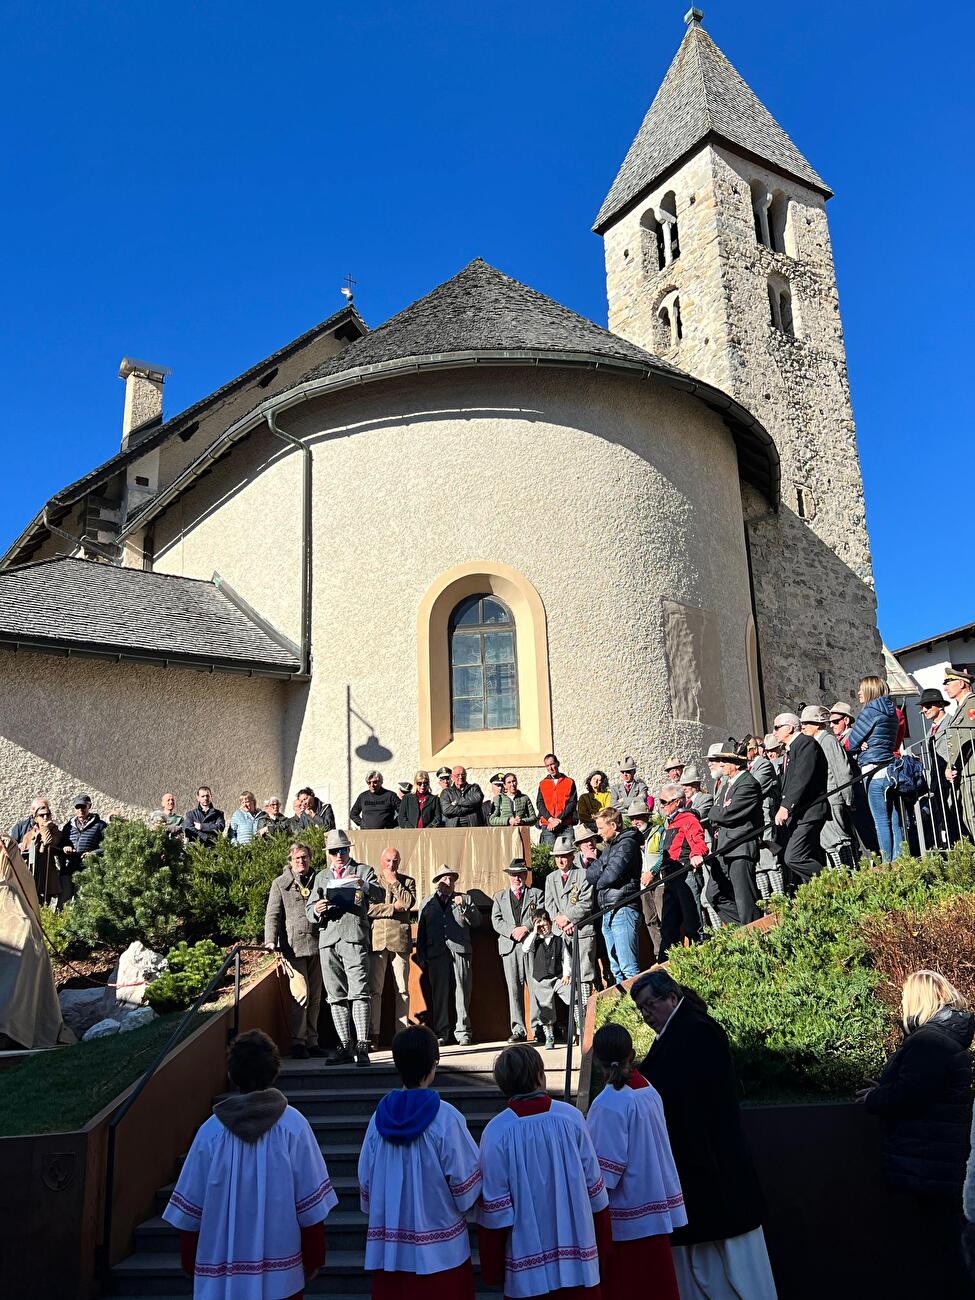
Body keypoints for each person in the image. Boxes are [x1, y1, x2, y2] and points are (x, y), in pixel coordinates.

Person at [633, 970, 777, 1300]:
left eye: (649, 1005)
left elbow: (701, 1105)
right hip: (702, 1173)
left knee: (731, 1271)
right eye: (641, 1010)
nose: (646, 1016)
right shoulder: (683, 1032)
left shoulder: (696, 1032)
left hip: (711, 1172)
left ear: (672, 997)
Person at [162, 1028, 337, 1296]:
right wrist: (314, 1257)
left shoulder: (210, 1132)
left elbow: (192, 1211)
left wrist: (190, 1261)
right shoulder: (294, 1126)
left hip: (222, 1275)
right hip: (281, 1274)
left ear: (231, 1074)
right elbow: (310, 1206)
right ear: (275, 1071)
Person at [862, 971, 974, 1298]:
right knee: (946, 1251)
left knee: (936, 1258)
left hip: (925, 1165)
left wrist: (876, 1098)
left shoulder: (929, 1041)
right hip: (942, 1162)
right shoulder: (949, 1039)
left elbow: (910, 1096)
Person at [477, 1043, 613, 1299]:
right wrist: (605, 1249)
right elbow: (596, 1191)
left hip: (528, 1265)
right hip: (578, 1258)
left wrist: (493, 1271)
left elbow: (496, 1213)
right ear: (541, 1075)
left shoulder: (496, 1132)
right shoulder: (571, 1118)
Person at [357, 1025, 481, 1300]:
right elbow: (464, 1185)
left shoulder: (377, 1121)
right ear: (433, 1064)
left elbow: (366, 1182)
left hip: (391, 1251)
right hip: (440, 1253)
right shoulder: (446, 1118)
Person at [587, 1023, 684, 1300]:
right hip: (655, 1204)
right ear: (632, 1053)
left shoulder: (608, 1102)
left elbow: (606, 1172)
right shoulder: (648, 1089)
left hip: (627, 1215)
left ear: (596, 1059)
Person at [306, 828, 382, 1066]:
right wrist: (316, 910)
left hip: (354, 937)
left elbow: (380, 894)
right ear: (328, 853)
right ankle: (345, 1045)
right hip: (328, 939)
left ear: (349, 850)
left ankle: (362, 1045)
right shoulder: (320, 877)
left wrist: (364, 885)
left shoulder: (363, 870)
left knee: (359, 991)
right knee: (334, 996)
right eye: (333, 851)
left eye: (342, 850)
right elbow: (309, 909)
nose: (338, 855)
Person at [264, 842, 326, 1059]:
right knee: (301, 994)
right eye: (297, 858)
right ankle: (298, 1042)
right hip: (293, 947)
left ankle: (312, 1040)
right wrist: (270, 940)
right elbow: (272, 914)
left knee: (317, 997)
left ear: (310, 859)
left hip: (318, 945)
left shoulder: (320, 879)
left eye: (305, 857)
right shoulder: (280, 883)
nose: (301, 861)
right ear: (290, 861)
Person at [415, 868, 480, 1046]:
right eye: (445, 879)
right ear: (438, 882)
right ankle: (441, 1032)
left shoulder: (464, 898)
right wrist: (421, 953)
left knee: (463, 991)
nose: (449, 882)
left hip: (460, 950)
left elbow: (476, 921)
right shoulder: (427, 903)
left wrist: (464, 907)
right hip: (436, 952)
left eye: (451, 879)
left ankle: (463, 1032)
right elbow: (421, 931)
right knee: (439, 994)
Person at [846, 676, 904, 861]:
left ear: (871, 690)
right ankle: (900, 860)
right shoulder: (892, 712)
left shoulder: (869, 711)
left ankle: (887, 863)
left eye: (862, 689)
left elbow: (850, 743)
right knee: (894, 819)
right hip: (889, 768)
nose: (859, 693)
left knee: (880, 821)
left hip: (872, 769)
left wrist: (860, 743)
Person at [706, 744, 764, 926]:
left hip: (740, 846)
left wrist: (715, 812)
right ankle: (743, 926)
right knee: (713, 894)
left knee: (744, 896)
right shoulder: (728, 785)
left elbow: (726, 814)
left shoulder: (748, 783)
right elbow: (721, 813)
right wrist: (718, 812)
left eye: (726, 760)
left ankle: (754, 929)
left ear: (737, 764)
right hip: (725, 847)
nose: (721, 764)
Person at [772, 713, 828, 888]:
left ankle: (831, 882)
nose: (774, 733)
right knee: (808, 855)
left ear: (789, 728)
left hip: (810, 811)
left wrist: (785, 806)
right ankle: (818, 894)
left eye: (776, 728)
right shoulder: (792, 749)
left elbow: (801, 778)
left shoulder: (805, 743)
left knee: (793, 857)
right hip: (800, 814)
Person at [492, 859, 545, 1043]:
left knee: (536, 987)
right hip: (509, 947)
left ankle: (538, 1027)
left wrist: (525, 928)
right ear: (509, 876)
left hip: (531, 945)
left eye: (520, 873)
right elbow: (496, 920)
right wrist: (511, 931)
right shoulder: (499, 897)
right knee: (514, 989)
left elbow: (541, 914)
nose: (516, 877)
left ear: (525, 875)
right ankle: (518, 1029)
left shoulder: (536, 894)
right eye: (513, 874)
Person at [589, 807, 642, 983]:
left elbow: (610, 876)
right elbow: (590, 874)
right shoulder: (611, 846)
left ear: (613, 825)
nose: (599, 833)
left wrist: (602, 871)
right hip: (608, 910)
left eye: (601, 828)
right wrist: (604, 868)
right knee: (616, 969)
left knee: (628, 967)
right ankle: (625, 1009)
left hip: (623, 908)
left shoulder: (627, 843)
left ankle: (639, 1006)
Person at [368, 847, 416, 1044]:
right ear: (381, 861)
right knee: (374, 990)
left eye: (395, 861)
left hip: (400, 940)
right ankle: (373, 1035)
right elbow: (369, 909)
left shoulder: (407, 881)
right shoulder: (373, 881)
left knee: (402, 989)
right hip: (378, 940)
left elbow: (407, 903)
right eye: (388, 861)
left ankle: (402, 1034)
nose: (391, 864)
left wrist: (394, 882)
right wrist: (391, 908)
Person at [545, 831, 596, 1012]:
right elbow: (549, 905)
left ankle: (585, 1021)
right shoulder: (550, 878)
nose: (560, 860)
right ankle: (575, 1023)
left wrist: (568, 918)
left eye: (564, 856)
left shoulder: (583, 875)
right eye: (557, 857)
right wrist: (560, 922)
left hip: (580, 932)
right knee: (566, 977)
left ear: (571, 856)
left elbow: (586, 903)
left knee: (584, 975)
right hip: (561, 934)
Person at [801, 706, 855, 869]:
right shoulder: (816, 743)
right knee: (828, 844)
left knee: (839, 841)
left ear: (817, 724)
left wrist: (848, 799)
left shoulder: (828, 741)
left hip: (833, 799)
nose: (802, 727)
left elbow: (842, 772)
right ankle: (838, 879)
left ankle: (848, 877)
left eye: (806, 723)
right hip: (823, 801)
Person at [656, 783, 707, 956]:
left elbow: (698, 841)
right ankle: (667, 961)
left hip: (685, 874)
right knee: (669, 924)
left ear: (677, 802)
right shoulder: (667, 823)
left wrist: (697, 854)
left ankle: (702, 955)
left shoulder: (688, 819)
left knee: (693, 920)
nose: (661, 806)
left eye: (664, 802)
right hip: (670, 877)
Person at [828, 702, 877, 855]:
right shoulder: (841, 740)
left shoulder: (854, 737)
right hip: (850, 791)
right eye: (830, 722)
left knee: (865, 832)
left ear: (846, 720)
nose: (831, 725)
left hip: (857, 790)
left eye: (835, 721)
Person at [522, 910, 571, 1049]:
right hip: (541, 979)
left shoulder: (558, 940)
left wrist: (566, 974)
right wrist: (534, 932)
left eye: (545, 924)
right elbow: (525, 948)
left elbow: (566, 957)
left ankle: (578, 1026)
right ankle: (549, 1036)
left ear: (550, 923)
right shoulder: (535, 941)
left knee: (572, 996)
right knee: (546, 1009)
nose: (543, 928)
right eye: (540, 926)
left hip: (557, 977)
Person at [918, 687, 960, 848]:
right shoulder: (931, 730)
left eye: (928, 706)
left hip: (951, 778)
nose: (924, 710)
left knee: (954, 815)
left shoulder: (950, 723)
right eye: (922, 707)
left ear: (940, 705)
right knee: (943, 817)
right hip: (937, 781)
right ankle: (951, 847)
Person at [626, 800, 664, 964]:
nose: (635, 821)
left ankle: (673, 949)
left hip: (661, 882)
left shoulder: (658, 831)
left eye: (638, 817)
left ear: (646, 816)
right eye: (632, 818)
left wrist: (652, 872)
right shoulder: (631, 839)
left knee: (665, 916)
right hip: (642, 886)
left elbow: (665, 854)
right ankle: (660, 954)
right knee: (650, 920)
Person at [743, 743, 783, 898]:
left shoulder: (763, 764)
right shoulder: (748, 768)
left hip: (764, 817)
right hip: (752, 821)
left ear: (754, 750)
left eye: (745, 751)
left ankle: (780, 899)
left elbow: (752, 790)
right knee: (759, 866)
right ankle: (766, 900)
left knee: (769, 860)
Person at [13, 797, 64, 906]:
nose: (45, 817)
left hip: (47, 874)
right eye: (42, 815)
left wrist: (45, 828)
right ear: (35, 818)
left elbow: (48, 841)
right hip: (32, 874)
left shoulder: (56, 831)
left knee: (44, 905)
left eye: (48, 815)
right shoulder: (28, 834)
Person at [945, 666, 975, 840]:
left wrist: (951, 765)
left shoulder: (971, 704)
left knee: (971, 817)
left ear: (962, 683)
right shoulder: (960, 708)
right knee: (968, 817)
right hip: (965, 770)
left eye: (949, 682)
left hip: (971, 769)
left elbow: (965, 736)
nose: (946, 687)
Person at [61, 794, 107, 886]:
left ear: (89, 806)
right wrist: (65, 847)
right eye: (78, 807)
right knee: (65, 899)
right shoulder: (68, 826)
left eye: (83, 806)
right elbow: (61, 842)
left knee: (84, 899)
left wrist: (93, 853)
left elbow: (107, 846)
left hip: (89, 869)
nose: (80, 810)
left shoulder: (100, 825)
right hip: (69, 868)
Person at [536, 753, 578, 846]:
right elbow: (539, 803)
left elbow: (572, 803)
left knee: (569, 853)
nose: (550, 768)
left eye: (552, 764)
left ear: (557, 764)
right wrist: (550, 819)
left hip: (565, 825)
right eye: (547, 766)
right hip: (548, 825)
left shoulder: (569, 782)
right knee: (549, 855)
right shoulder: (543, 783)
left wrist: (559, 819)